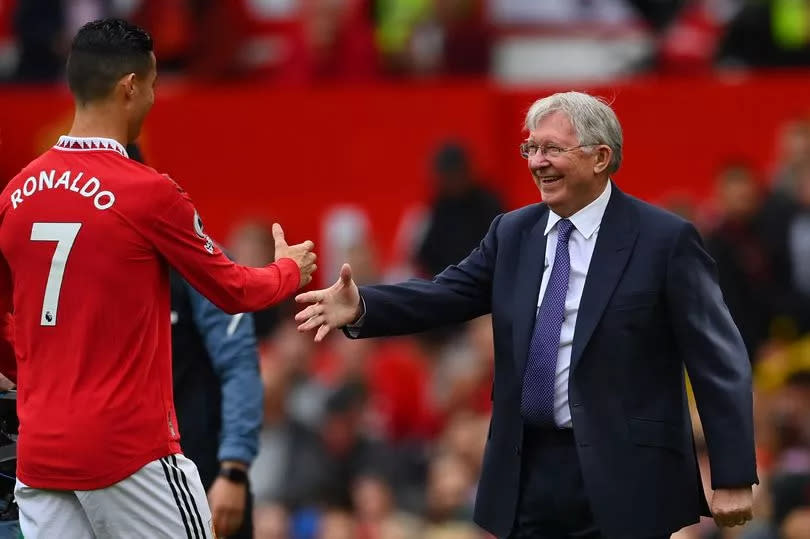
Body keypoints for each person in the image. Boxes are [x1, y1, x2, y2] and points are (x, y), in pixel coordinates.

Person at [295, 91, 758, 538]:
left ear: (600, 157)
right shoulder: (512, 232)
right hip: (526, 470)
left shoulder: (665, 240)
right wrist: (362, 306)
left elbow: (718, 358)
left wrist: (733, 472)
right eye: (530, 148)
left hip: (628, 474)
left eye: (551, 148)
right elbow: (444, 294)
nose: (536, 161)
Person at [0, 18, 316, 539]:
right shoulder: (148, 193)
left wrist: (32, 370)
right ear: (129, 86)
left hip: (41, 454)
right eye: (152, 85)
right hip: (127, 452)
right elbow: (233, 289)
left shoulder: (16, 193)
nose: (152, 98)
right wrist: (288, 271)